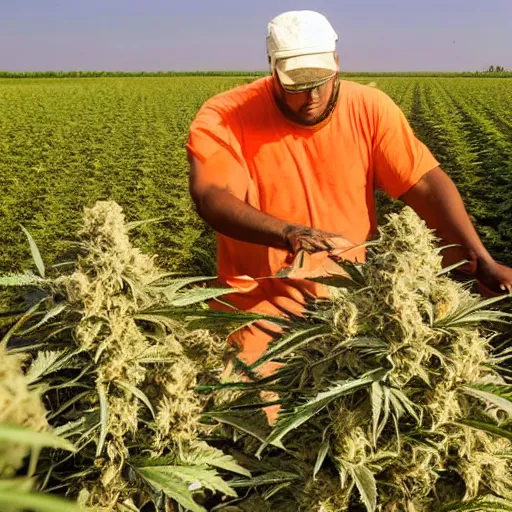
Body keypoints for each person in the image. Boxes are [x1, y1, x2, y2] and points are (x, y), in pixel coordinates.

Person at [186, 10, 512, 414]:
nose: (312, 98)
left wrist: (477, 256)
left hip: (353, 305)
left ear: (337, 65)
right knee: (259, 429)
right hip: (259, 306)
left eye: (321, 83)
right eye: (297, 86)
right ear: (272, 71)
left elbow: (424, 183)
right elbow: (212, 197)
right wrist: (287, 233)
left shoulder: (369, 108)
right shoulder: (225, 116)